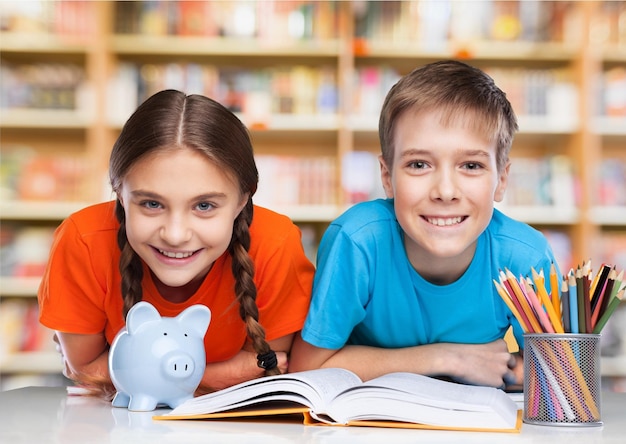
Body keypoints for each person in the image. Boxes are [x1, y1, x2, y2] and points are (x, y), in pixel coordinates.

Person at [289, 60, 560, 390]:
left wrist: (519, 371)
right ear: (387, 177)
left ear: (501, 180)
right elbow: (306, 368)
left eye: (471, 165)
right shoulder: (358, 242)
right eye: (419, 164)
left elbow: (558, 374)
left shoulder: (525, 259)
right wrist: (446, 358)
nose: (445, 191)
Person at [38, 89, 315, 397]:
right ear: (119, 192)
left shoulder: (275, 243)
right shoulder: (83, 240)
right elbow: (85, 368)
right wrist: (219, 376)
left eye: (205, 206)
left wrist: (120, 375)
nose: (175, 234)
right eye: (152, 204)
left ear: (242, 199)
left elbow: (269, 371)